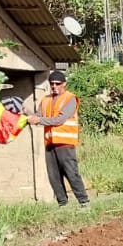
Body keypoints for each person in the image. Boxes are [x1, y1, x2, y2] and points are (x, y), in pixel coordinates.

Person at [32, 70, 89, 208]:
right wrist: (27, 116)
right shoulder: (45, 100)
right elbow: (38, 115)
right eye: (52, 84)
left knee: (71, 172)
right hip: (50, 143)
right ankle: (62, 203)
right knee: (53, 176)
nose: (54, 86)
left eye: (58, 83)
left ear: (64, 84)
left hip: (65, 143)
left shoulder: (70, 98)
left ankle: (84, 202)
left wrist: (38, 119)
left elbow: (60, 119)